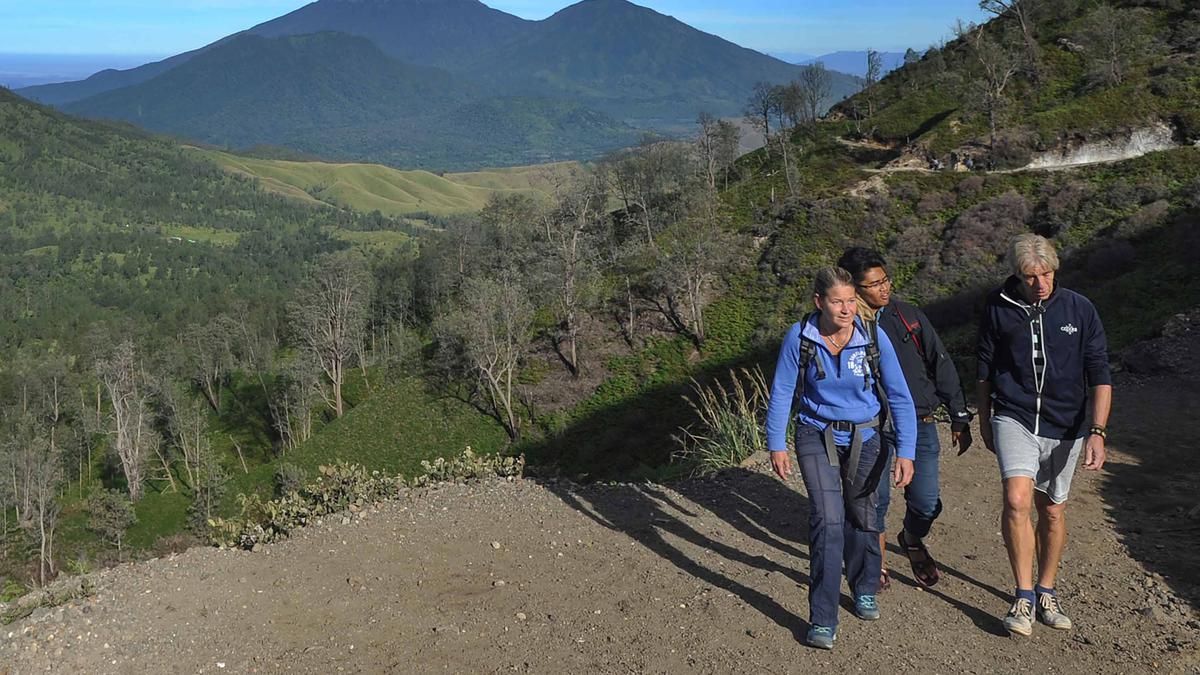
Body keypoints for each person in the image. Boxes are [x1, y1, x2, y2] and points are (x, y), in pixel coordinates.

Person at [765, 267, 917, 650]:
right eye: (838, 302)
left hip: (866, 435)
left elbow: (899, 396)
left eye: (851, 300)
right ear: (819, 302)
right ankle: (822, 617)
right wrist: (776, 444)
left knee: (863, 514)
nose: (847, 309)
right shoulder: (801, 337)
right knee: (827, 520)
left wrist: (907, 452)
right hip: (816, 433)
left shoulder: (872, 338)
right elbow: (783, 391)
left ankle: (864, 586)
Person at [976, 234, 1112, 636]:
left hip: (1066, 423)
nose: (1040, 283)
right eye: (1031, 276)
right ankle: (1023, 595)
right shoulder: (997, 307)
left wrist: (1098, 431)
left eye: (1047, 274)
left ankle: (1046, 588)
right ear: (1017, 275)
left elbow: (1100, 373)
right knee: (1017, 499)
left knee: (1051, 510)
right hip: (1014, 416)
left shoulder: (1080, 309)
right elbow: (984, 367)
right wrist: (985, 419)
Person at [837, 247, 973, 591]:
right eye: (874, 284)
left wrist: (959, 415)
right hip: (870, 428)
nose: (884, 289)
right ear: (853, 288)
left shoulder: (907, 316)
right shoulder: (844, 328)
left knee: (926, 501)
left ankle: (912, 538)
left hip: (919, 421)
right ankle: (877, 560)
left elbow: (940, 362)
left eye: (885, 280)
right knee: (875, 500)